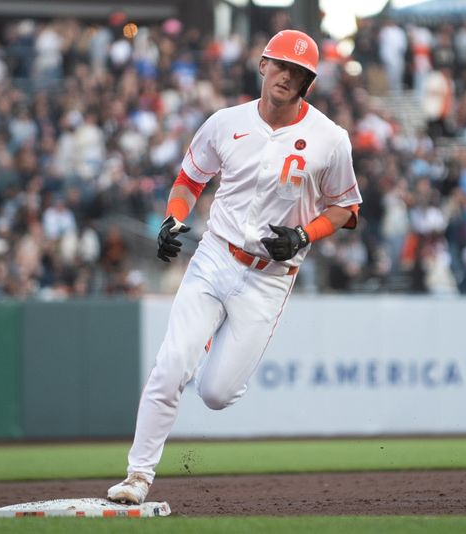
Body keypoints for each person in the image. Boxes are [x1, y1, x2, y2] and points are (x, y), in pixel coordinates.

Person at [106, 29, 362, 505]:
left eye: (300, 72)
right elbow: (189, 178)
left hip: (268, 278)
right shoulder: (226, 122)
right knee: (169, 366)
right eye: (282, 64)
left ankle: (209, 361)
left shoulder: (330, 138)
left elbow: (347, 208)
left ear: (309, 82)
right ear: (263, 65)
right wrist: (174, 219)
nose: (288, 76)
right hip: (215, 256)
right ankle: (138, 477)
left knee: (217, 393)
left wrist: (306, 234)